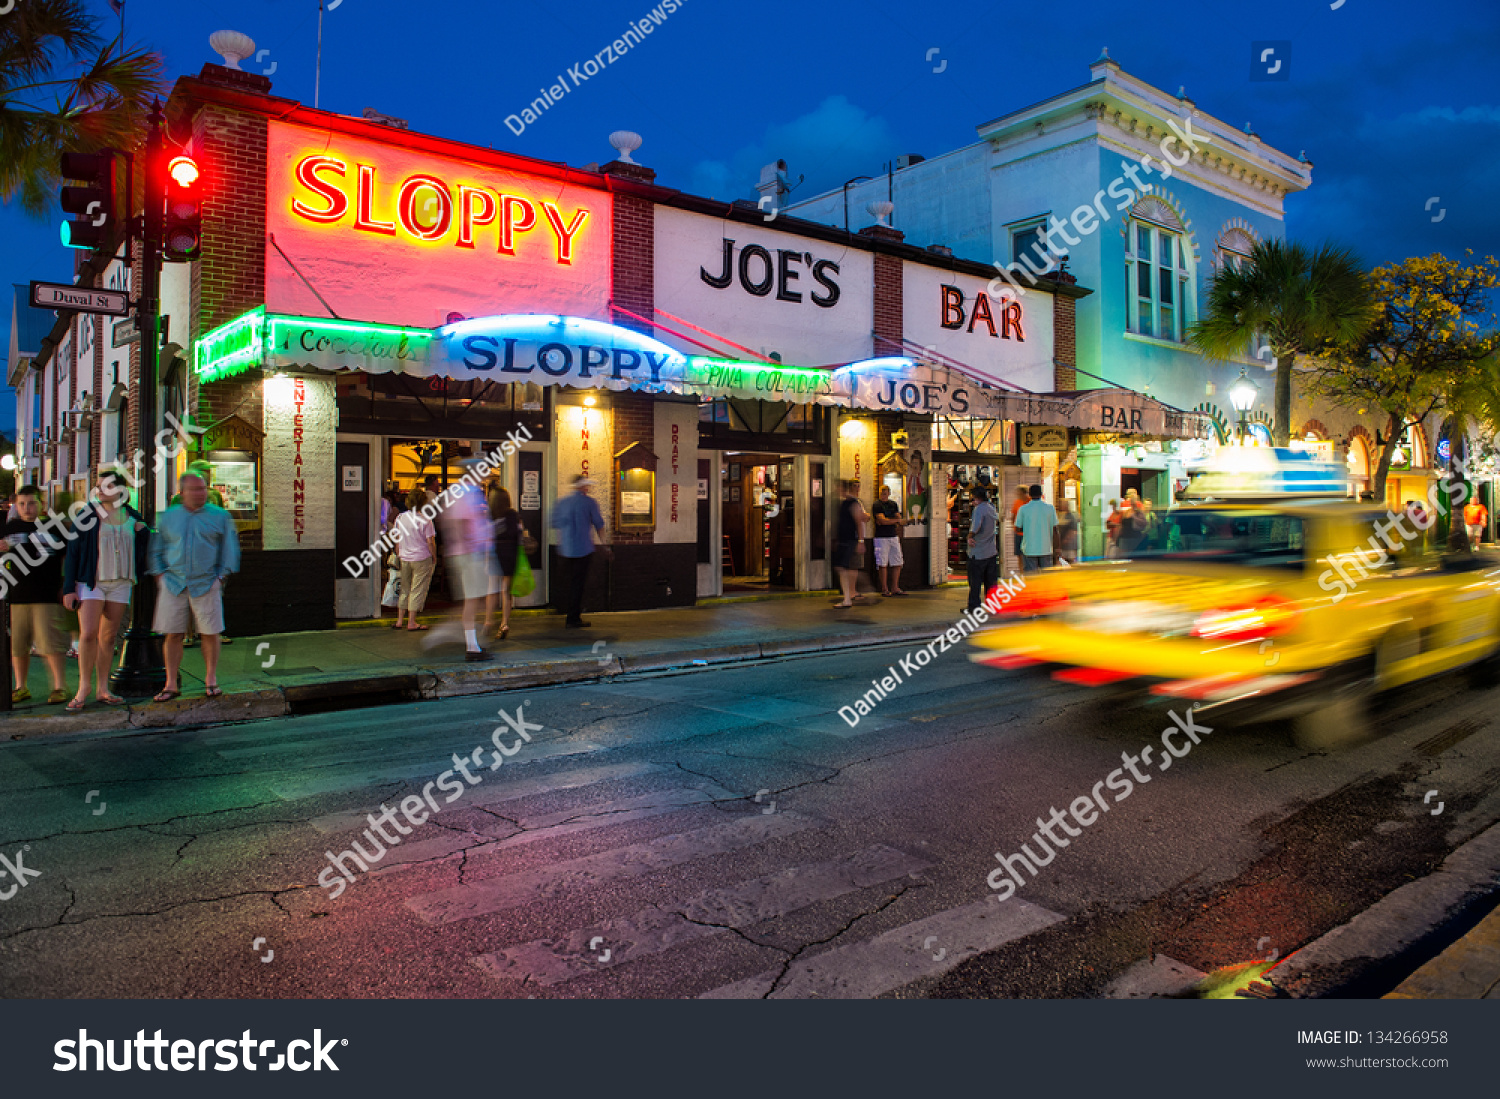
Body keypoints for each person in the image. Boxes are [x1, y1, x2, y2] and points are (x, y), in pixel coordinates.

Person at [61, 468, 150, 711]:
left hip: (121, 582)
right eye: (98, 486)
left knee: (109, 637)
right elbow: (73, 553)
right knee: (88, 634)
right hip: (92, 582)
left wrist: (142, 534)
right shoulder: (87, 514)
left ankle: (102, 687)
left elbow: (141, 548)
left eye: (106, 486)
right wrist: (69, 588)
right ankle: (83, 688)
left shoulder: (132, 516)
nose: (100, 490)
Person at [149, 469, 240, 702]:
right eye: (195, 489)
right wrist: (160, 575)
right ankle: (170, 683)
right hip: (173, 582)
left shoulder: (220, 516)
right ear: (182, 492)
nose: (201, 493)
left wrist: (220, 578)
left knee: (210, 632)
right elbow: (156, 548)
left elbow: (229, 550)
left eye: (203, 488)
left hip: (206, 581)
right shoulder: (168, 517)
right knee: (173, 633)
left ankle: (211, 679)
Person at [1, 485, 69, 705]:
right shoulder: (10, 528)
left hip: (47, 594)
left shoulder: (53, 527)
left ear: (41, 503)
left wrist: (65, 586)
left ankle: (59, 686)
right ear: (16, 505)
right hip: (16, 595)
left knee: (50, 643)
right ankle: (21, 686)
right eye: (21, 504)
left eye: (31, 503)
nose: (27, 508)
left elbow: (65, 559)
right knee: (18, 645)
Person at [439, 458, 494, 659]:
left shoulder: (465, 491)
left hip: (468, 553)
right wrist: (471, 548)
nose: (486, 475)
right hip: (469, 554)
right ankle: (471, 646)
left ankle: (472, 642)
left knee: (472, 600)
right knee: (471, 601)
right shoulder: (466, 492)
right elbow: (461, 522)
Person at [551, 474, 610, 627]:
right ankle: (573, 618)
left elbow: (554, 523)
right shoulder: (590, 503)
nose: (588, 488)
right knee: (578, 584)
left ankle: (566, 613)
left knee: (568, 583)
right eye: (587, 485)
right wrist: (604, 545)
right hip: (583, 549)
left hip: (564, 550)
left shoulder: (562, 502)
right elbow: (599, 524)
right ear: (583, 486)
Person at [391, 488, 436, 632]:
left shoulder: (400, 518)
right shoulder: (426, 520)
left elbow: (397, 539)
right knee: (417, 589)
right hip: (421, 558)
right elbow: (430, 542)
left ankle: (399, 620)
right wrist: (434, 557)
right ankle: (411, 622)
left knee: (404, 588)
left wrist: (398, 552)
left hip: (405, 558)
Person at [491, 486, 523, 641]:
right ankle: (504, 623)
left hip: (494, 552)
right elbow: (519, 532)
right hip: (510, 553)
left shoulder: (490, 515)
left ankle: (488, 621)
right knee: (506, 591)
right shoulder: (513, 515)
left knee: (492, 589)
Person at [832, 479, 870, 608]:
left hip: (850, 540)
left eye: (839, 488)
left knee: (845, 568)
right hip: (844, 540)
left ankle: (856, 590)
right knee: (842, 568)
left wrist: (860, 541)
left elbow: (859, 522)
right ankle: (848, 597)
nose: (837, 490)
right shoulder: (843, 504)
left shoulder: (854, 504)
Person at [966, 483, 998, 612]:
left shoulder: (979, 510)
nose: (972, 501)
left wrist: (969, 536)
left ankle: (974, 607)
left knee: (975, 581)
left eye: (973, 498)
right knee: (991, 581)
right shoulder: (991, 507)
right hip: (991, 550)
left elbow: (975, 526)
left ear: (977, 498)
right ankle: (993, 605)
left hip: (978, 551)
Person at [871, 484, 907, 596]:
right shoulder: (877, 505)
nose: (883, 495)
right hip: (881, 537)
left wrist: (892, 520)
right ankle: (884, 588)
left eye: (885, 493)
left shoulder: (893, 504)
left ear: (889, 493)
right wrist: (895, 521)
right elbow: (882, 521)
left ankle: (895, 587)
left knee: (898, 561)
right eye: (882, 493)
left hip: (893, 536)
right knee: (882, 563)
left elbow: (899, 518)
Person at [1016, 484, 1060, 572]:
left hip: (1029, 549)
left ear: (1029, 495)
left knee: (1032, 579)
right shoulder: (1050, 508)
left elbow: (1018, 528)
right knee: (1046, 578)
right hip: (1046, 549)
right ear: (1041, 494)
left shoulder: (1023, 509)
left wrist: (1028, 528)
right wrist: (1057, 548)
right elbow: (1055, 530)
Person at [1008, 485, 1029, 560]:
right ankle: (1021, 571)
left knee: (1028, 554)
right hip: (1018, 532)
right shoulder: (1017, 502)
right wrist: (1014, 527)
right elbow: (1013, 515)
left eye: (1019, 493)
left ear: (1025, 493)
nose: (1018, 495)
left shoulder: (1030, 502)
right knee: (1019, 554)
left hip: (1028, 533)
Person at [1057, 499, 1080, 564]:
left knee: (1070, 561)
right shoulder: (1061, 516)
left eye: (1061, 505)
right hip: (1064, 546)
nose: (1059, 506)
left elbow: (1072, 531)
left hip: (1069, 546)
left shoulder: (1071, 517)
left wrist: (1066, 540)